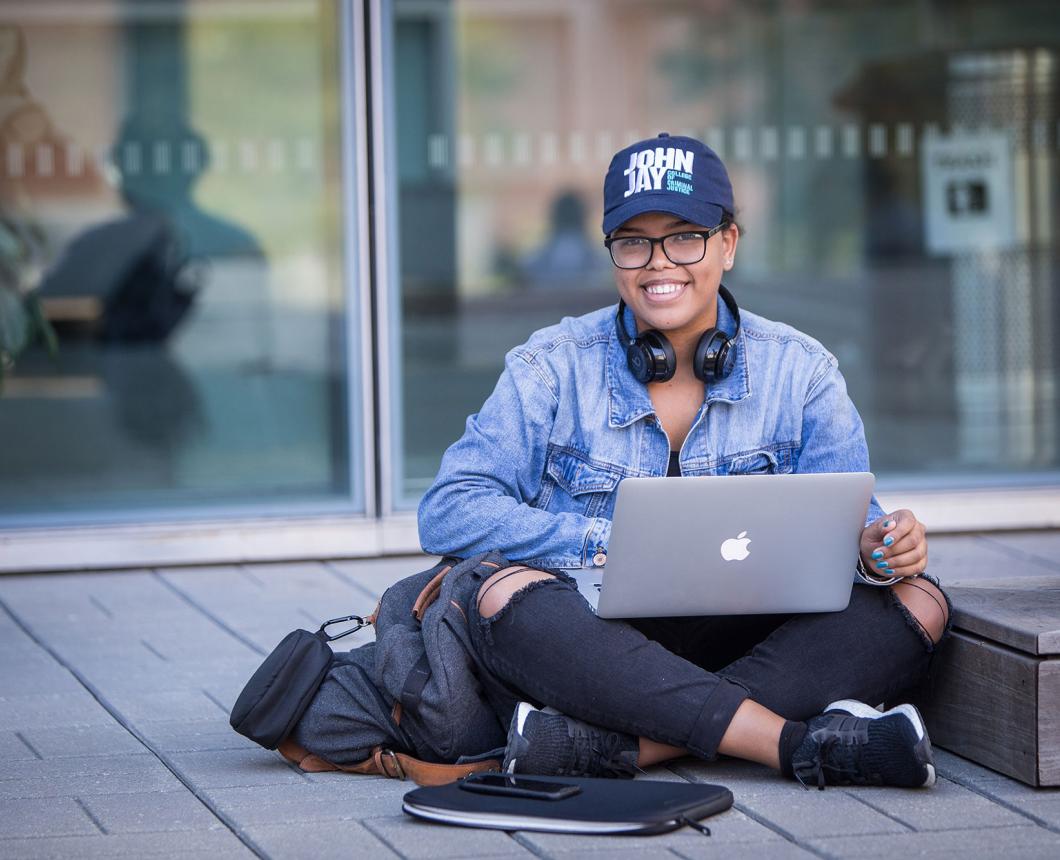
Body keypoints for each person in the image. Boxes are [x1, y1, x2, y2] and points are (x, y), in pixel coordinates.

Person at [417, 132, 951, 790]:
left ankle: (618, 748)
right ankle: (794, 744)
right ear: (613, 252)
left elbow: (851, 521)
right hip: (593, 636)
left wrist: (880, 544)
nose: (658, 262)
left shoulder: (800, 369)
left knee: (919, 600)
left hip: (743, 630)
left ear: (728, 243)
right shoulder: (551, 364)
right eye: (634, 241)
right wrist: (604, 542)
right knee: (503, 596)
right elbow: (449, 509)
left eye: (684, 237)